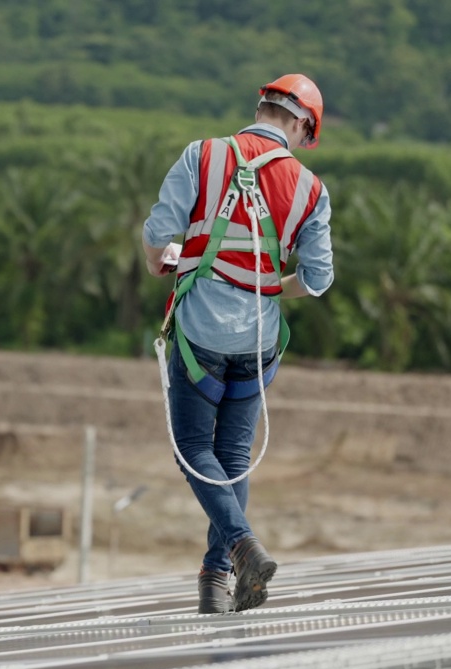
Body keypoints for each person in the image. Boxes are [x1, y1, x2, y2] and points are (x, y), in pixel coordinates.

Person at [141, 74, 333, 614]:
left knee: (195, 453)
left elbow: (159, 237)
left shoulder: (202, 156)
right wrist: (268, 288)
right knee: (231, 459)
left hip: (199, 331)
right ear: (302, 125)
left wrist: (162, 262)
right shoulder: (311, 190)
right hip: (258, 341)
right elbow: (317, 279)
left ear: (262, 107)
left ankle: (242, 546)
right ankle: (214, 581)